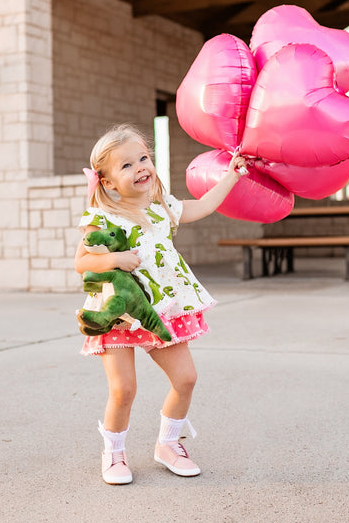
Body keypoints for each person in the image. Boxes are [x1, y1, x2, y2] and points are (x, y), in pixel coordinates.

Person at [75, 123, 247, 485]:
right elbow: (83, 262)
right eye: (126, 165)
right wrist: (114, 261)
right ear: (106, 182)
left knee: (186, 379)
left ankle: (168, 444)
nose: (140, 167)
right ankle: (114, 453)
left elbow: (203, 205)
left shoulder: (162, 207)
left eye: (143, 158)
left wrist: (231, 176)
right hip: (120, 314)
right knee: (123, 389)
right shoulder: (102, 217)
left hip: (163, 308)